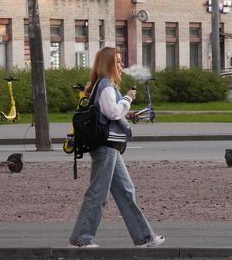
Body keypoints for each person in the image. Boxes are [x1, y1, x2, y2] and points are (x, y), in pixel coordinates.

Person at [68, 47, 165, 249]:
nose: (122, 65)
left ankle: (144, 237)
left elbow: (111, 112)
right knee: (97, 192)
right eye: (118, 61)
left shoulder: (106, 85)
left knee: (126, 190)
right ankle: (81, 239)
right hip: (106, 146)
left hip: (109, 146)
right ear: (108, 63)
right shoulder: (105, 85)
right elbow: (112, 112)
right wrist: (128, 99)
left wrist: (126, 112)